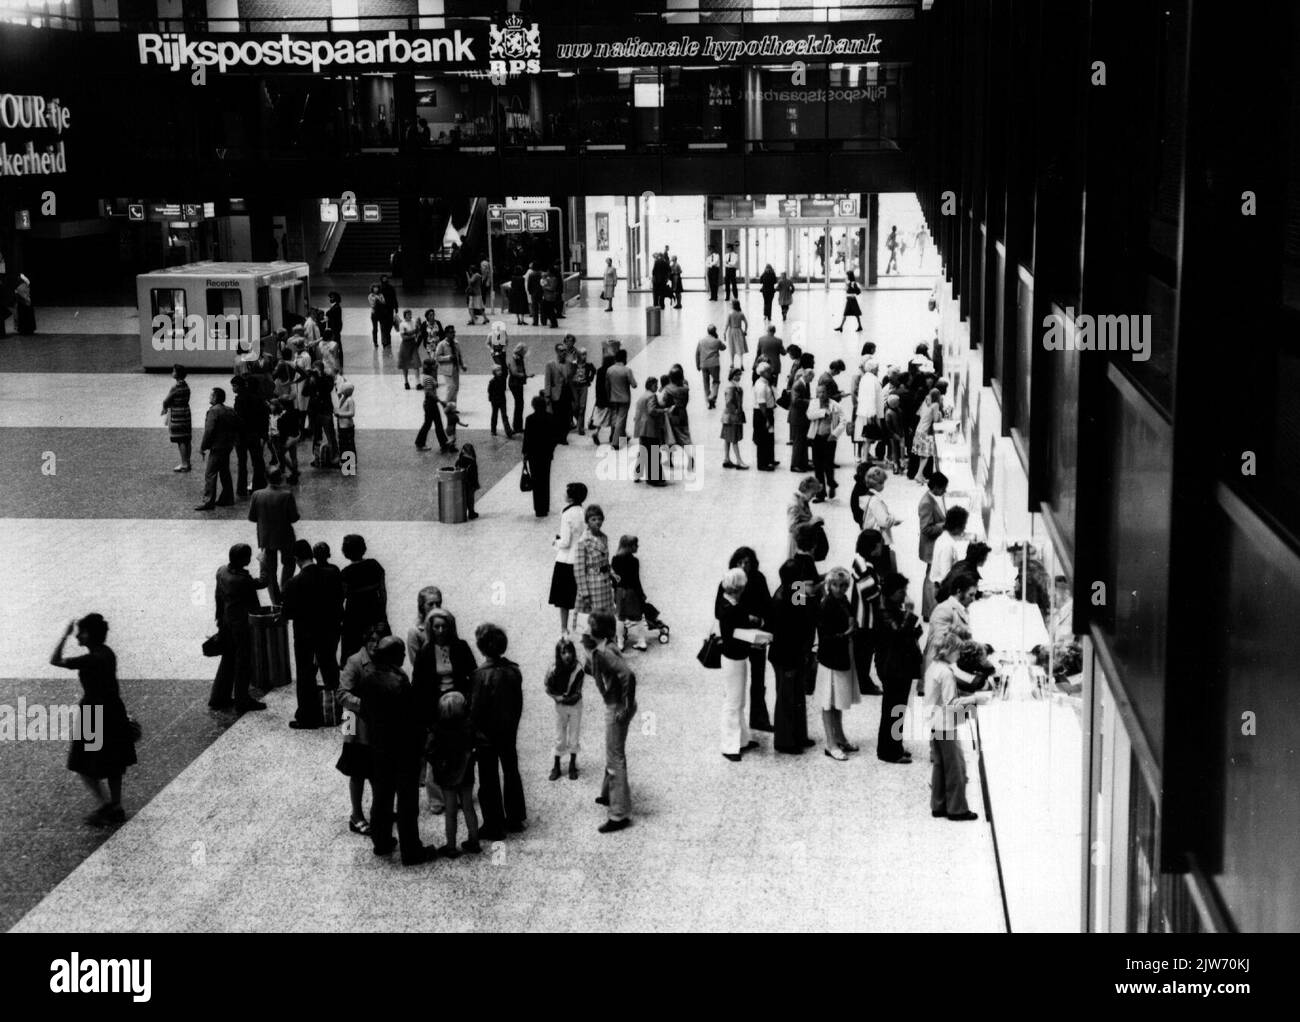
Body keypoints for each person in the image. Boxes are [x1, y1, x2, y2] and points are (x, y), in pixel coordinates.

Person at [50, 614, 137, 825]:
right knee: (115, 762)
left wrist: (64, 635)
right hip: (113, 711)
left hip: (93, 714)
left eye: (80, 632)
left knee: (82, 763)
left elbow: (55, 660)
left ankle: (107, 805)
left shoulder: (90, 659)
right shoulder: (107, 654)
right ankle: (116, 805)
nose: (77, 635)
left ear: (88, 634)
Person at [357, 636, 436, 864]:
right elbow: (412, 717)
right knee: (407, 802)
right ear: (393, 656)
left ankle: (381, 842)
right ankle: (411, 850)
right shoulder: (399, 681)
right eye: (401, 653)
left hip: (379, 748)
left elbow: (364, 712)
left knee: (381, 797)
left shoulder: (368, 679)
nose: (404, 656)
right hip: (404, 750)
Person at [412, 608, 476, 813]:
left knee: (459, 750)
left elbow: (472, 674)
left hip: (458, 704)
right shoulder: (425, 652)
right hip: (434, 706)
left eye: (444, 626)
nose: (440, 630)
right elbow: (418, 685)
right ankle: (437, 799)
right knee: (435, 752)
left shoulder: (461, 647)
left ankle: (459, 794)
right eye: (436, 626)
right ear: (431, 628)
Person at [470, 623, 526, 839]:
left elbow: (475, 710)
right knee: (511, 771)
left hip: (486, 736)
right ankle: (515, 817)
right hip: (508, 730)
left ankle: (493, 824)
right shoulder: (513, 671)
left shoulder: (479, 676)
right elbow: (517, 704)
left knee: (488, 778)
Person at [282, 540, 344, 729]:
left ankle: (307, 717)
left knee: (305, 674)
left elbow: (288, 613)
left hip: (305, 636)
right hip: (329, 631)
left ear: (296, 559)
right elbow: (340, 598)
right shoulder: (331, 574)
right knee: (330, 667)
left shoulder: (293, 583)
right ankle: (335, 710)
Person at [335, 620, 388, 835]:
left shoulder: (385, 659)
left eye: (379, 641)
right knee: (357, 771)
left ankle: (378, 810)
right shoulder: (355, 661)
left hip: (376, 725)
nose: (375, 645)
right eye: (371, 641)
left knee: (377, 772)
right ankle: (356, 814)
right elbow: (341, 693)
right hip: (355, 724)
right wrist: (365, 705)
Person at [585, 612, 636, 832]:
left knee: (615, 757)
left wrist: (625, 706)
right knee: (612, 751)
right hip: (618, 703)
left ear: (595, 631)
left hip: (617, 707)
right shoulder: (605, 647)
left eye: (589, 625)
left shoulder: (605, 652)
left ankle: (619, 814)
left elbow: (628, 675)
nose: (586, 629)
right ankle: (608, 794)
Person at [926, 631, 980, 821]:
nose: (958, 655)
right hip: (946, 726)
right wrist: (975, 699)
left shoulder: (933, 667)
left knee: (940, 765)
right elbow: (951, 704)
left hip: (934, 722)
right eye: (956, 651)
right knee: (956, 766)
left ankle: (938, 804)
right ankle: (957, 809)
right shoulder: (947, 673)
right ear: (948, 650)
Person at [716, 567, 767, 762]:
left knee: (738, 700)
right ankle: (729, 746)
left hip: (733, 657)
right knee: (733, 702)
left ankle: (742, 739)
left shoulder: (726, 603)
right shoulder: (733, 609)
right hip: (734, 658)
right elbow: (737, 633)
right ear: (738, 587)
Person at [210, 543, 267, 713]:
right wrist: (264, 563)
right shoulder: (242, 579)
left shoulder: (222, 571)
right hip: (241, 626)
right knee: (243, 662)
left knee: (227, 659)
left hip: (227, 622)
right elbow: (263, 582)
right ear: (242, 559)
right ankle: (242, 700)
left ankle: (218, 697)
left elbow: (218, 597)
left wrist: (220, 621)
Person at [768, 560, 817, 754]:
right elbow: (794, 625)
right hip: (786, 655)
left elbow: (804, 618)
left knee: (796, 696)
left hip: (791, 653)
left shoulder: (789, 591)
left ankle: (797, 735)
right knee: (787, 698)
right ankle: (785, 741)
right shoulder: (785, 597)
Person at [874, 572, 920, 763]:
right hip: (892, 668)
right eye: (902, 591)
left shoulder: (891, 607)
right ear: (892, 592)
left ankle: (895, 745)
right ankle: (889, 751)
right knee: (893, 709)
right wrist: (909, 614)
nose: (904, 595)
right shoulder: (884, 611)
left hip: (898, 666)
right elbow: (898, 634)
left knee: (897, 708)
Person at [428, 691, 482, 856]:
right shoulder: (468, 726)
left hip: (446, 774)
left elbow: (429, 750)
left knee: (450, 811)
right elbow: (476, 744)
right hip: (466, 772)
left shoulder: (437, 729)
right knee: (468, 807)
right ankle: (474, 841)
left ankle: (451, 846)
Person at [815, 567, 860, 760]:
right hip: (830, 658)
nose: (840, 588)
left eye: (843, 585)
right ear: (829, 585)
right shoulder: (826, 604)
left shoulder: (843, 601)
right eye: (836, 585)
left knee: (838, 700)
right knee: (828, 701)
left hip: (842, 655)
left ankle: (840, 737)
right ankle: (830, 742)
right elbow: (824, 636)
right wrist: (845, 635)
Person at [247, 474, 300, 604]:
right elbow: (294, 517)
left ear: (267, 479)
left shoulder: (257, 495)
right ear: (280, 478)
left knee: (269, 570)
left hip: (266, 538)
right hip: (285, 536)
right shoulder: (287, 495)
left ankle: (275, 600)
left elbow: (252, 517)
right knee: (289, 563)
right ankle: (285, 589)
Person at [340, 534, 387, 664]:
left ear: (345, 552)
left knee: (354, 654)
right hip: (375, 613)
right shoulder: (375, 565)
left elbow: (341, 598)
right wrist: (382, 615)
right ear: (363, 548)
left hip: (354, 618)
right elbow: (383, 594)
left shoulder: (345, 573)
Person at [850, 529, 886, 696]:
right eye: (880, 544)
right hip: (864, 618)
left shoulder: (864, 562)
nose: (883, 547)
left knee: (865, 652)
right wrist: (882, 589)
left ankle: (862, 680)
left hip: (867, 617)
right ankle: (863, 682)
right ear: (873, 547)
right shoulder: (862, 565)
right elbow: (870, 592)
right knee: (863, 653)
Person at [924, 572, 977, 681]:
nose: (973, 599)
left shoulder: (960, 609)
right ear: (959, 592)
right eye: (970, 595)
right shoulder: (944, 609)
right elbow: (942, 643)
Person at [549, 482, 588, 631]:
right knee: (580, 597)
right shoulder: (583, 512)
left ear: (571, 497)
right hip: (579, 559)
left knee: (563, 601)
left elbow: (565, 542)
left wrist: (555, 542)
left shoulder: (566, 514)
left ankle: (564, 629)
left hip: (565, 561)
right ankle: (581, 627)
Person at [545, 637, 585, 780]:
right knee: (559, 737)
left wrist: (563, 698)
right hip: (560, 707)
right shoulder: (553, 669)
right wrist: (556, 698)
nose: (567, 655)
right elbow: (548, 687)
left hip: (574, 706)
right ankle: (556, 765)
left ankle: (572, 765)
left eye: (570, 652)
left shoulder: (579, 669)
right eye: (563, 652)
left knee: (574, 736)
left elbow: (577, 694)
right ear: (559, 654)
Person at [574, 503, 616, 631]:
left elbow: (606, 561)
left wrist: (612, 574)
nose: (597, 522)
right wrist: (584, 593)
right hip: (592, 585)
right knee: (593, 618)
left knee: (606, 616)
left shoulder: (604, 538)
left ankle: (605, 642)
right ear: (587, 521)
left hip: (604, 584)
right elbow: (579, 569)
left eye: (599, 518)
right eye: (593, 519)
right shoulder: (584, 541)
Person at [195, 387, 239, 511]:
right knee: (225, 472)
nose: (209, 397)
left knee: (210, 473)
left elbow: (209, 431)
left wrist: (203, 446)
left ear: (215, 397)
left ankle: (208, 501)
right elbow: (237, 426)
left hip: (217, 446)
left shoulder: (213, 412)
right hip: (227, 445)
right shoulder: (230, 410)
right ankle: (227, 497)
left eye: (211, 395)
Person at [918, 473, 950, 620]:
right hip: (931, 548)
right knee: (931, 579)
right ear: (936, 487)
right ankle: (929, 611)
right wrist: (945, 525)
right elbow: (925, 529)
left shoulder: (933, 498)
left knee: (931, 577)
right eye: (943, 488)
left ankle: (929, 610)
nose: (945, 491)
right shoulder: (926, 503)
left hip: (934, 546)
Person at [807, 382, 844, 500]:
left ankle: (831, 484)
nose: (821, 394)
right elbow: (809, 415)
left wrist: (835, 434)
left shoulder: (835, 405)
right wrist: (822, 413)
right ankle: (820, 493)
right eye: (819, 392)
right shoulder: (813, 403)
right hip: (816, 437)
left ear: (828, 393)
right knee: (817, 466)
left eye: (823, 392)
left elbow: (843, 421)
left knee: (828, 464)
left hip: (829, 438)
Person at [610, 534, 648, 650]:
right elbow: (636, 580)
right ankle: (642, 641)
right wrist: (641, 594)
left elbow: (613, 578)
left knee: (620, 618)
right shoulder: (635, 561)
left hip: (620, 591)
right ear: (629, 547)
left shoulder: (615, 559)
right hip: (632, 592)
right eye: (635, 545)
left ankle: (620, 643)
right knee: (638, 617)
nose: (638, 546)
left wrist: (615, 594)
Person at [523, 394, 557, 517]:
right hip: (546, 454)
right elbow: (554, 437)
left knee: (536, 481)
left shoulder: (529, 419)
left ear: (533, 406)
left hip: (533, 454)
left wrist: (525, 453)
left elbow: (527, 438)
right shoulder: (550, 418)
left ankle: (538, 508)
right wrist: (551, 450)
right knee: (545, 480)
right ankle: (545, 506)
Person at [860, 466, 902, 566]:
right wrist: (894, 520)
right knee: (883, 565)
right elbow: (884, 522)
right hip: (879, 539)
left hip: (870, 535)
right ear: (879, 484)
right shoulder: (875, 500)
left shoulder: (866, 497)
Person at [931, 506, 975, 595]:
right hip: (943, 590)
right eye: (964, 525)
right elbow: (946, 577)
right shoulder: (947, 545)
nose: (964, 528)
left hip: (940, 586)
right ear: (957, 526)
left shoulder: (943, 537)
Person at [414, 358, 452, 453]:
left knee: (436, 423)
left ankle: (443, 443)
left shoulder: (429, 376)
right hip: (430, 403)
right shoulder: (428, 378)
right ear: (431, 367)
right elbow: (430, 392)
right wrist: (440, 401)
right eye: (435, 365)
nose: (436, 366)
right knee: (429, 423)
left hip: (431, 403)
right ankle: (420, 442)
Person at [161, 365, 193, 473]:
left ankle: (184, 464)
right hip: (186, 413)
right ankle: (187, 462)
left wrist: (165, 408)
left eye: (173, 371)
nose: (172, 372)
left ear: (177, 373)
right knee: (187, 439)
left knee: (180, 440)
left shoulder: (175, 387)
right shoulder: (186, 386)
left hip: (177, 414)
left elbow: (166, 401)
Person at [786, 476, 826, 561]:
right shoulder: (795, 505)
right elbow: (792, 527)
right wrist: (811, 523)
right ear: (806, 490)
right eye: (812, 494)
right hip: (797, 544)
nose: (813, 496)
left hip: (802, 541)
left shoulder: (802, 500)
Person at [604, 350, 636, 445]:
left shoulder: (609, 370)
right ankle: (615, 442)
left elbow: (607, 385)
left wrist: (608, 396)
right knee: (621, 420)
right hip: (625, 399)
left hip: (613, 398)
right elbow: (634, 385)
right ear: (624, 358)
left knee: (617, 418)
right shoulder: (627, 370)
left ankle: (623, 438)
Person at [543, 344, 573, 445]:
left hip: (566, 393)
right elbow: (547, 381)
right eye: (561, 350)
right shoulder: (550, 364)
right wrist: (547, 395)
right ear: (556, 351)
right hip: (556, 394)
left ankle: (563, 437)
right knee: (556, 416)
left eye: (565, 350)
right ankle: (556, 436)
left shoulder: (569, 364)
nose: (564, 352)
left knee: (566, 416)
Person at [720, 367, 749, 470]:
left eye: (739, 375)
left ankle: (726, 458)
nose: (739, 377)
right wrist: (735, 411)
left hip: (729, 417)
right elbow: (729, 402)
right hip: (732, 417)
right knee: (734, 438)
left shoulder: (736, 387)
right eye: (737, 375)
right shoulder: (731, 388)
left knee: (728, 438)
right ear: (732, 376)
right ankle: (739, 460)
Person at [752, 362, 778, 471]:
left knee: (769, 437)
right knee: (762, 438)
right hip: (762, 413)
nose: (770, 372)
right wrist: (766, 418)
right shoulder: (760, 385)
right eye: (768, 371)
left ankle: (769, 459)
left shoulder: (766, 382)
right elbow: (761, 403)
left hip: (768, 411)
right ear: (762, 373)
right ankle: (762, 463)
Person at [788, 365, 813, 472]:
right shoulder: (798, 385)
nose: (812, 380)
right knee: (798, 442)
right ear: (807, 376)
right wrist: (810, 401)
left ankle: (803, 463)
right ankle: (795, 465)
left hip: (801, 417)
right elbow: (796, 401)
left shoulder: (804, 384)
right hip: (798, 418)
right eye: (811, 377)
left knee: (803, 441)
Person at [434, 325, 467, 404]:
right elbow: (437, 357)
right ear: (446, 334)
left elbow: (459, 355)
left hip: (455, 368)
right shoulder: (441, 344)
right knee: (451, 387)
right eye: (451, 332)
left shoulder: (456, 343)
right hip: (447, 369)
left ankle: (453, 405)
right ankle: (446, 403)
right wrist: (448, 358)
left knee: (456, 388)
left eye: (454, 332)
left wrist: (462, 365)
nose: (453, 334)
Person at [695, 325, 725, 409]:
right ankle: (712, 397)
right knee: (716, 381)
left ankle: (708, 399)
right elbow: (724, 347)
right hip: (714, 364)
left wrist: (698, 365)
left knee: (706, 383)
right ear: (715, 331)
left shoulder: (701, 341)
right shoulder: (717, 341)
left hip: (704, 364)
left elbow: (697, 353)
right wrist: (717, 338)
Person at [508, 341, 530, 434]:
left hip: (517, 383)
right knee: (519, 404)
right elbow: (514, 372)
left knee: (520, 404)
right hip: (515, 383)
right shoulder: (515, 358)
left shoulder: (519, 358)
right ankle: (517, 426)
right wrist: (524, 375)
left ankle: (518, 426)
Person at [397, 309, 422, 389]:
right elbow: (403, 337)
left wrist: (418, 326)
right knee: (405, 365)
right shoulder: (402, 324)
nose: (410, 316)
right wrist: (413, 334)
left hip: (413, 345)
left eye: (410, 314)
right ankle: (406, 382)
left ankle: (418, 383)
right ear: (405, 316)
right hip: (405, 346)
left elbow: (418, 331)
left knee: (416, 363)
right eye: (408, 314)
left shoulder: (414, 321)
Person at [487, 364, 513, 438]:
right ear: (494, 372)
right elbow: (490, 391)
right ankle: (493, 430)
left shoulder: (502, 379)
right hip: (495, 400)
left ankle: (508, 431)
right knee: (495, 415)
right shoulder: (492, 381)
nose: (500, 372)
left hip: (501, 400)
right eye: (498, 370)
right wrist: (491, 399)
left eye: (500, 370)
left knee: (504, 415)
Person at [456, 443, 480, 520]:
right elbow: (474, 474)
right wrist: (475, 484)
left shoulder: (459, 460)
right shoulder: (472, 461)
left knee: (463, 498)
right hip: (470, 484)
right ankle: (471, 512)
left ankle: (462, 513)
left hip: (461, 483)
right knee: (470, 499)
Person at [723, 300, 748, 370]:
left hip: (732, 331)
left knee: (732, 347)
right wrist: (745, 331)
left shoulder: (730, 313)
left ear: (733, 305)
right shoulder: (741, 313)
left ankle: (732, 363)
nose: (730, 305)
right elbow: (746, 323)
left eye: (731, 304)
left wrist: (724, 332)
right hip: (739, 330)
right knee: (740, 347)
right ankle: (741, 363)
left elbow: (727, 324)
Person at [367, 283, 388, 348]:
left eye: (377, 288)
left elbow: (384, 302)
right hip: (374, 313)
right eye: (374, 288)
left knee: (383, 328)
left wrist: (378, 299)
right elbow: (372, 304)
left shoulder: (381, 295)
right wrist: (377, 299)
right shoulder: (370, 295)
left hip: (381, 313)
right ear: (372, 289)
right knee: (375, 328)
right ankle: (375, 342)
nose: (376, 289)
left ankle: (384, 342)